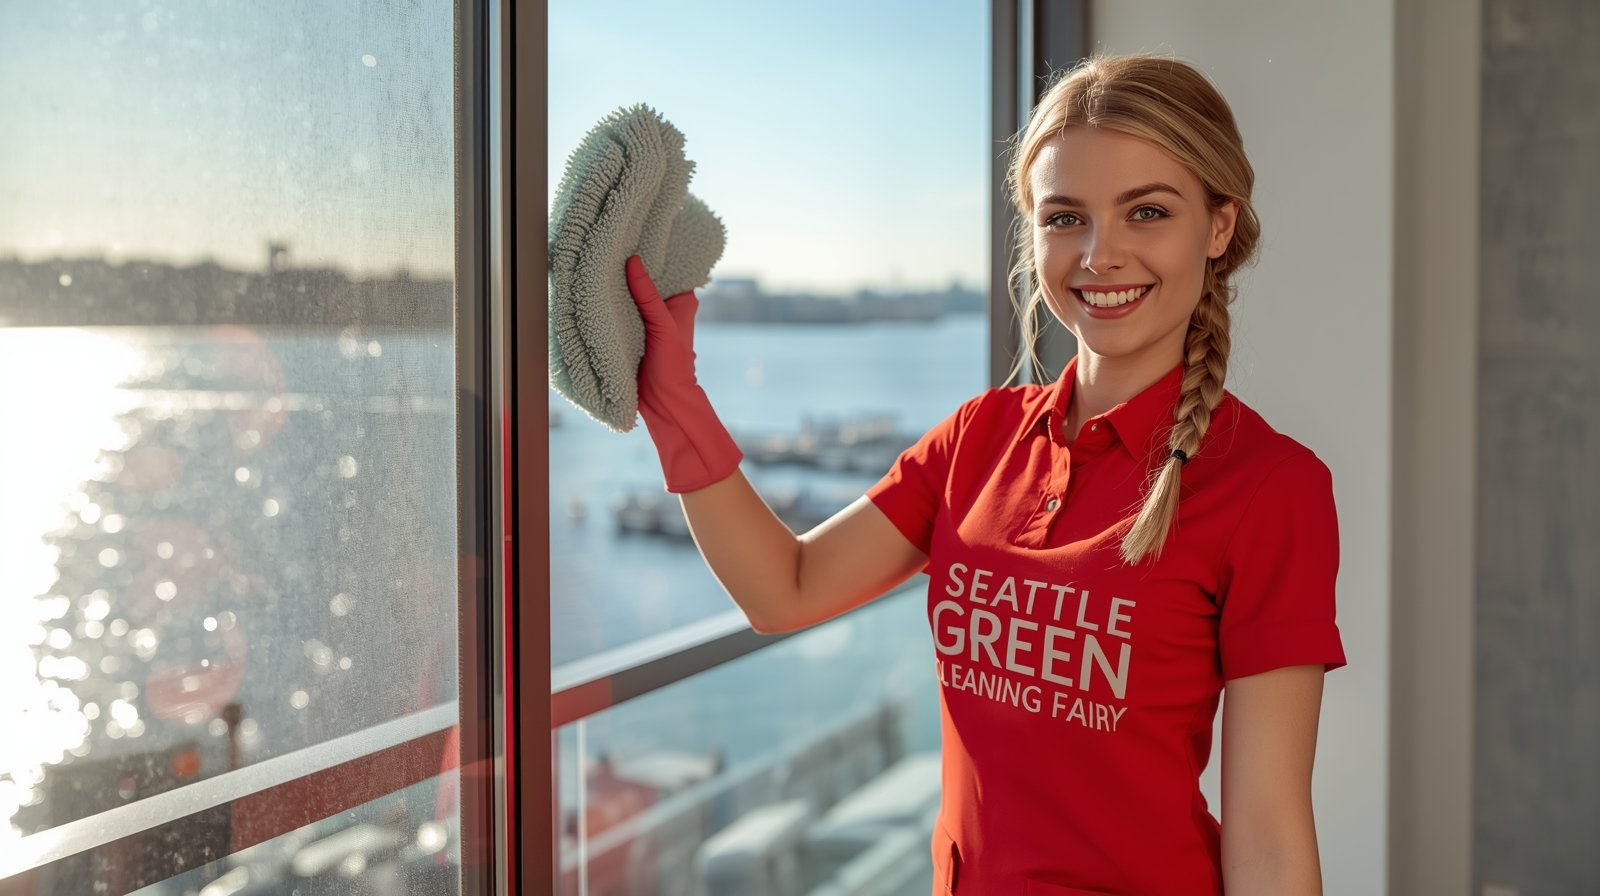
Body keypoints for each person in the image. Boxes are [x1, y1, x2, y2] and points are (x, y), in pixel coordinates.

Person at [622, 53, 1345, 896]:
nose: (1100, 254)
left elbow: (1266, 839)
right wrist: (674, 400)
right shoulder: (978, 439)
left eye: (1147, 211)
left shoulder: (1270, 486)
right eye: (1066, 217)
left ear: (1218, 227)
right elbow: (784, 587)